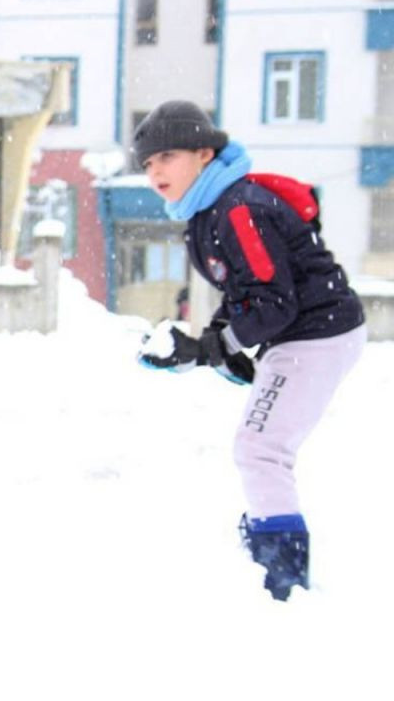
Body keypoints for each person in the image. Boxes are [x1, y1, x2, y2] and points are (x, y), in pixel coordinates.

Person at [134, 101, 366, 601]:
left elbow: (274, 303)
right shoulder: (208, 211)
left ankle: (282, 578)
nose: (156, 172)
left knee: (260, 449)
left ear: (203, 153)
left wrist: (211, 345)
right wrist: (217, 342)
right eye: (148, 164)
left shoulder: (238, 208)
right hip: (303, 333)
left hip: (316, 334)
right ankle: (272, 547)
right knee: (260, 447)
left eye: (166, 157)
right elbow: (245, 292)